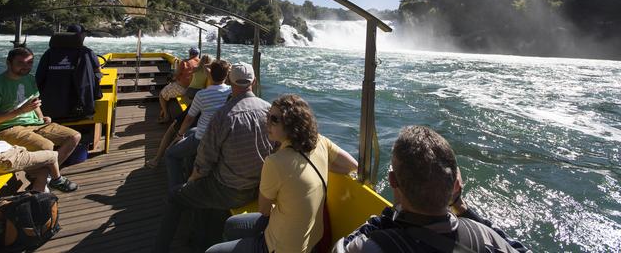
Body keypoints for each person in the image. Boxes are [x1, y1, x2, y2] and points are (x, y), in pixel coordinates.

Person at [336, 125, 530, 253]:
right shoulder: (485, 237)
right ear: (456, 185)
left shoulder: (370, 246)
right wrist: (461, 206)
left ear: (393, 181)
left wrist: (392, 212)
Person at [206, 94, 359, 253]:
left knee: (212, 250)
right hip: (313, 239)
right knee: (231, 223)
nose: (267, 123)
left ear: (291, 124)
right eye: (268, 116)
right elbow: (353, 166)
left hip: (282, 247)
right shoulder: (321, 142)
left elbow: (264, 210)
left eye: (274, 119)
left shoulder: (275, 162)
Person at [153, 62, 274, 252]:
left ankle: (159, 249)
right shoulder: (269, 110)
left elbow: (204, 163)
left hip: (228, 190)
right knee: (202, 196)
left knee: (175, 197)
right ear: (254, 81)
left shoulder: (223, 116)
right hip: (259, 188)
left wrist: (190, 182)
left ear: (230, 81)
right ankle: (200, 239)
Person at [0, 47, 81, 166]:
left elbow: (34, 102)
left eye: (29, 63)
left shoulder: (29, 79)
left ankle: (49, 174)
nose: (26, 66)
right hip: (7, 128)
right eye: (20, 63)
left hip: (34, 124)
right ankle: (47, 177)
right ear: (8, 63)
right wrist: (19, 111)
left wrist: (42, 117)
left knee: (74, 136)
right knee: (46, 146)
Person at [157, 60, 231, 189]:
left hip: (203, 137)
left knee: (170, 154)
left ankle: (178, 190)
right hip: (220, 136)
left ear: (209, 75)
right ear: (226, 76)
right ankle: (190, 174)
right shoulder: (230, 92)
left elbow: (189, 119)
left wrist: (180, 134)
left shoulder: (202, 95)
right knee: (192, 133)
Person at [0, 120, 77, 192]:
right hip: (4, 159)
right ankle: (57, 180)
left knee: (42, 169)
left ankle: (38, 195)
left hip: (9, 153)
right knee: (52, 156)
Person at [158, 47, 200, 123]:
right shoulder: (201, 63)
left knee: (161, 95)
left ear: (190, 54)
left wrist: (172, 79)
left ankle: (166, 115)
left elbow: (176, 75)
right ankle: (164, 111)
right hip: (195, 90)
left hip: (182, 89)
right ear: (198, 54)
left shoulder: (185, 62)